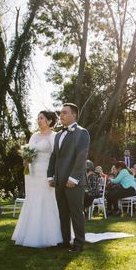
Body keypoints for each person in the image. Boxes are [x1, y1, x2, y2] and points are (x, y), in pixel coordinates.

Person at [12, 111, 62, 247]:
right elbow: (29, 151)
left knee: (47, 199)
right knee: (32, 199)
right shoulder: (34, 136)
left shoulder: (53, 136)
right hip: (31, 173)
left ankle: (51, 235)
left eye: (41, 118)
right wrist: (26, 159)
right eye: (38, 118)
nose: (39, 120)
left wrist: (53, 175)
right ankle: (28, 233)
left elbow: (56, 156)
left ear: (49, 121)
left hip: (46, 172)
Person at [47, 103, 90, 252]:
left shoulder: (82, 133)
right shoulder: (58, 134)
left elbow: (81, 156)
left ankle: (78, 244)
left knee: (76, 213)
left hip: (74, 182)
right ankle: (65, 241)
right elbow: (54, 157)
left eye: (65, 113)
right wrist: (50, 176)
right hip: (59, 181)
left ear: (74, 115)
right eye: (60, 113)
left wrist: (74, 178)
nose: (61, 115)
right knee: (63, 213)